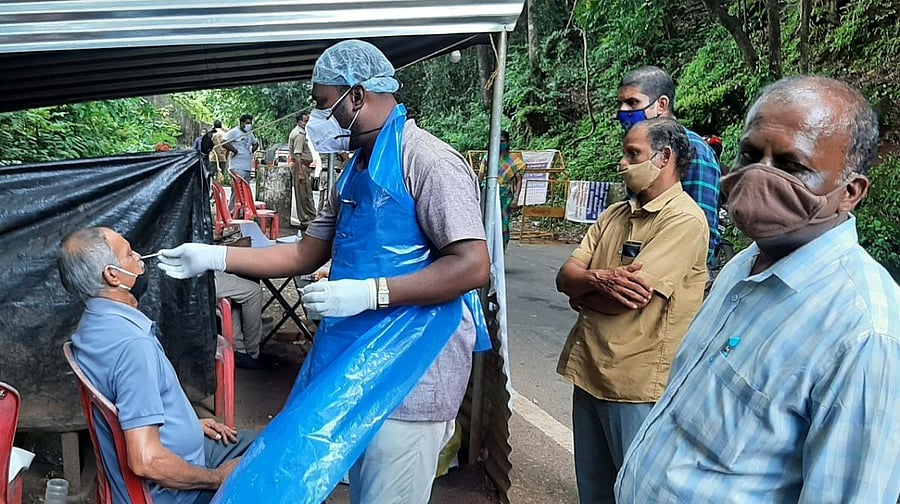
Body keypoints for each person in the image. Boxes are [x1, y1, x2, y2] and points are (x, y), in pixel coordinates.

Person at [157, 40, 490, 504]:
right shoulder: (354, 171)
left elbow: (473, 266)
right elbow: (302, 254)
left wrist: (369, 294)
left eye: (323, 104)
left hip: (412, 371)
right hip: (353, 364)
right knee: (358, 488)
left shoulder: (429, 163)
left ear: (356, 96)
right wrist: (212, 257)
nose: (320, 120)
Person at [616, 76, 900, 502]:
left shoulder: (864, 334)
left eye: (791, 166)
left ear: (851, 193)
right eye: (750, 155)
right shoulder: (744, 264)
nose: (759, 176)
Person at [556, 117, 708, 503]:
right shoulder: (614, 215)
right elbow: (564, 276)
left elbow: (630, 299)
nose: (622, 163)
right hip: (590, 371)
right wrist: (595, 283)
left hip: (636, 384)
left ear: (664, 158)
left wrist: (584, 290)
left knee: (636, 491)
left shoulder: (684, 220)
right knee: (593, 489)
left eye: (633, 154)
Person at [58, 227, 255, 504]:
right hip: (171, 491)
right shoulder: (133, 346)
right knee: (277, 458)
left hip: (175, 453)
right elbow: (145, 460)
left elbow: (130, 407)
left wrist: (186, 424)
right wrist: (217, 477)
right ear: (112, 275)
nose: (139, 257)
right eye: (129, 254)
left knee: (265, 442)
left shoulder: (91, 327)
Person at [616, 66, 721, 266]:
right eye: (621, 104)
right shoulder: (638, 149)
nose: (623, 111)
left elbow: (701, 231)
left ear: (661, 104)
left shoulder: (693, 150)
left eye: (632, 103)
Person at [479, 130, 527, 249]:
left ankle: (500, 251)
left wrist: (516, 198)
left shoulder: (514, 160)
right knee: (485, 222)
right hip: (488, 193)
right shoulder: (488, 157)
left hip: (505, 196)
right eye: (497, 141)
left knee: (503, 224)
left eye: (502, 141)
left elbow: (519, 180)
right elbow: (480, 177)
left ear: (508, 142)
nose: (500, 144)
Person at [214, 272, 268, 369]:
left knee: (239, 287)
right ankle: (253, 353)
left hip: (191, 274)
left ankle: (239, 349)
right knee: (254, 292)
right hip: (195, 278)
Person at [288, 113, 317, 229]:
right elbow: (298, 154)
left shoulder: (302, 133)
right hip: (301, 166)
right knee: (303, 194)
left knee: (306, 193)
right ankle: (306, 219)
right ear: (300, 121)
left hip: (304, 166)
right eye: (305, 121)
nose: (307, 123)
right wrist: (300, 172)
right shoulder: (299, 134)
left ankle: (309, 217)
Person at [223, 115, 258, 182]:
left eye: (250, 123)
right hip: (237, 167)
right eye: (247, 123)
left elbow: (255, 143)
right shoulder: (234, 132)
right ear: (241, 123)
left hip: (247, 167)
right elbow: (224, 142)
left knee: (245, 191)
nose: (249, 125)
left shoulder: (250, 134)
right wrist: (235, 151)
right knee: (237, 191)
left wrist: (251, 151)